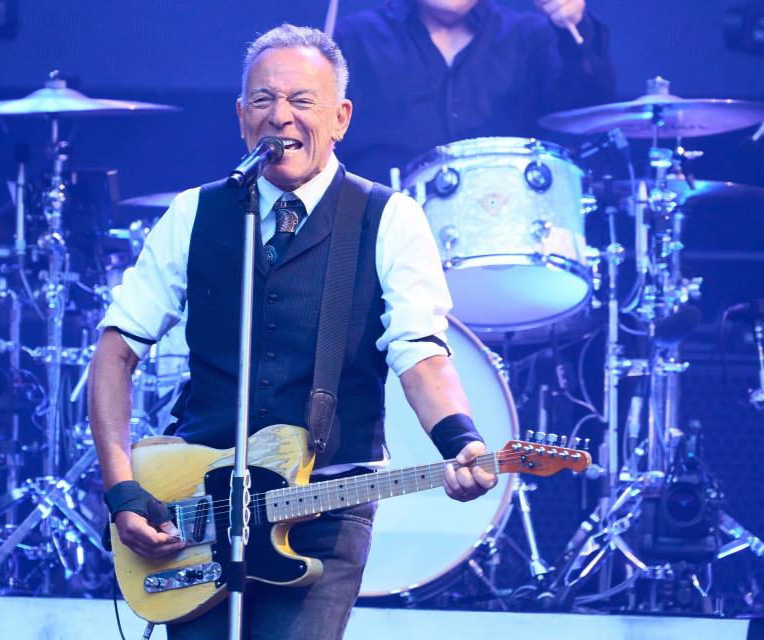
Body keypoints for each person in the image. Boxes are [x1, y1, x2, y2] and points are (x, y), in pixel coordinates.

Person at [88, 24, 495, 640]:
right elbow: (115, 351)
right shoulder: (197, 213)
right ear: (240, 115)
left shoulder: (389, 217)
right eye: (263, 100)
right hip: (198, 508)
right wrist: (121, 488)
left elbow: (420, 352)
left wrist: (458, 438)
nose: (281, 117)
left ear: (341, 118)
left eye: (303, 102)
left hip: (325, 506)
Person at [333, 0, 618, 183]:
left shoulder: (532, 36)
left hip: (507, 239)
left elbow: (593, 107)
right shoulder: (351, 37)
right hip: (380, 240)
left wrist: (573, 26)